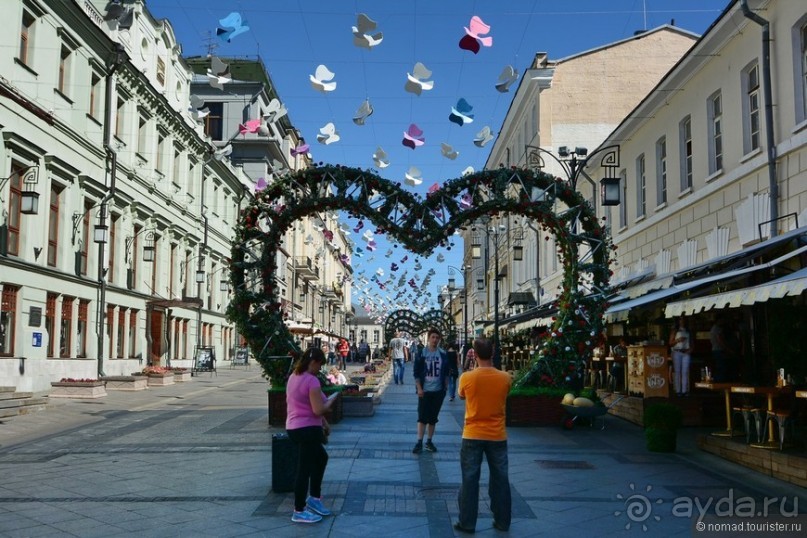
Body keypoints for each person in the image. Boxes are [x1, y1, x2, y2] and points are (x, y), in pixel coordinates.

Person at [455, 337, 512, 533]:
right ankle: (502, 521)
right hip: (497, 435)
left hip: (472, 434)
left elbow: (462, 395)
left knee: (470, 480)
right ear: (493, 352)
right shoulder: (505, 377)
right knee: (500, 479)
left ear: (475, 354)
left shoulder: (467, 378)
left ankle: (467, 523)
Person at [285, 347, 336, 524]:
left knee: (321, 458)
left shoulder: (294, 376)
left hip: (294, 427)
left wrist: (325, 423)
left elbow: (314, 402)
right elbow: (318, 408)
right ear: (313, 362)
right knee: (304, 469)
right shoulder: (311, 381)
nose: (320, 369)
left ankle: (314, 498)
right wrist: (331, 403)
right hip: (306, 429)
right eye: (320, 365)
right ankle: (299, 510)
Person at [412, 328, 449, 454]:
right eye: (433, 337)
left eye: (437, 338)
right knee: (422, 418)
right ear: (428, 338)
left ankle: (429, 441)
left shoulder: (442, 354)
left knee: (433, 418)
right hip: (425, 391)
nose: (435, 340)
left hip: (438, 391)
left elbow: (446, 372)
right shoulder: (422, 353)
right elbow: (416, 372)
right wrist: (419, 388)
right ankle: (419, 442)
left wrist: (445, 386)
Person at [669, 316, 692, 397]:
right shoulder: (675, 330)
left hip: (686, 351)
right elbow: (670, 343)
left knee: (685, 372)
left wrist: (690, 349)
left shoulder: (688, 331)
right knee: (678, 371)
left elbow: (692, 342)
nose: (682, 321)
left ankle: (684, 390)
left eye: (683, 319)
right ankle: (678, 390)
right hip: (677, 351)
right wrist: (678, 340)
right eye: (681, 319)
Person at [710, 317, 728, 382]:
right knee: (721, 367)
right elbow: (719, 340)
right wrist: (726, 348)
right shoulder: (717, 329)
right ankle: (720, 382)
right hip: (718, 350)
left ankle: (718, 381)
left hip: (715, 349)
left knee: (718, 367)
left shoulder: (713, 328)